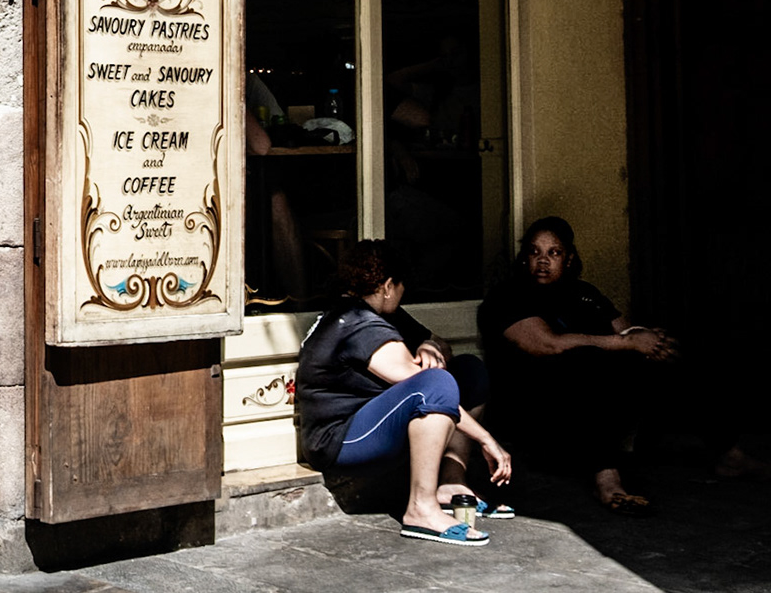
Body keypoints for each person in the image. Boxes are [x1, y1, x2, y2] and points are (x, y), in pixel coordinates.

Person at [479, 216, 768, 514]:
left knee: (675, 352)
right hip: (536, 411)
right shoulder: (508, 297)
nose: (543, 260)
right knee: (586, 361)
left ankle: (729, 454)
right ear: (524, 257)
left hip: (593, 403)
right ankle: (607, 479)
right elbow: (548, 344)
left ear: (569, 258)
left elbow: (626, 330)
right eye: (534, 252)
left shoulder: (583, 293)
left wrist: (652, 342)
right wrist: (627, 343)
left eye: (554, 252)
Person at [297, 240, 513, 546]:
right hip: (338, 441)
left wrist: (428, 345)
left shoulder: (383, 313)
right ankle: (421, 509)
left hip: (371, 424)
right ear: (388, 286)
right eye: (401, 287)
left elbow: (441, 347)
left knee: (468, 371)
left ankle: (451, 482)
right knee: (437, 384)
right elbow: (431, 388)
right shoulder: (358, 323)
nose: (402, 294)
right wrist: (486, 439)